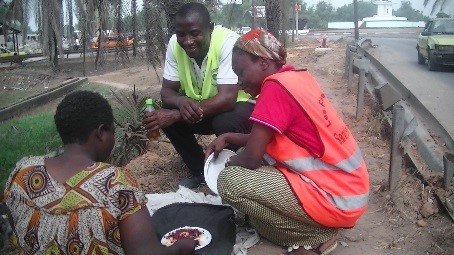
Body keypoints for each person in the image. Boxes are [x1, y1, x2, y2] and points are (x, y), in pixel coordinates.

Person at [205, 29, 370, 255]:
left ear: (263, 62)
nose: (239, 81)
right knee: (246, 171)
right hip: (349, 189)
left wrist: (230, 163)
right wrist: (228, 137)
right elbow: (265, 142)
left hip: (336, 197)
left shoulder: (274, 87)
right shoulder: (296, 78)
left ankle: (316, 237)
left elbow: (251, 159)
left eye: (241, 72)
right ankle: (303, 226)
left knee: (229, 182)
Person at [3, 91, 196, 255]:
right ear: (101, 132)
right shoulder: (115, 182)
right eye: (112, 132)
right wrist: (180, 248)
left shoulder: (22, 172)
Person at [142, 2, 254, 189]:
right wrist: (181, 101)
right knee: (166, 114)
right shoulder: (174, 45)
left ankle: (227, 171)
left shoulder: (228, 42)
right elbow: (167, 92)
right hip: (204, 110)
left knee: (223, 122)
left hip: (239, 111)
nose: (187, 41)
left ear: (210, 28)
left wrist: (177, 114)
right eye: (181, 34)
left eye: (195, 33)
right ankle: (199, 171)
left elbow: (227, 98)